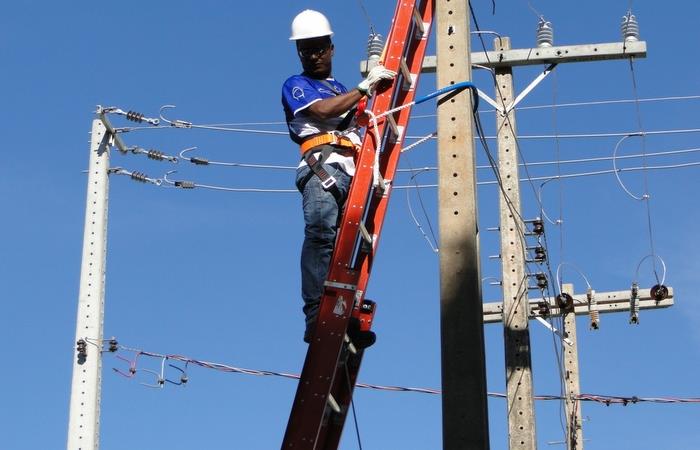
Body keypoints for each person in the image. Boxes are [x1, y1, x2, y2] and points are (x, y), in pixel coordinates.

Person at [281, 10, 395, 346]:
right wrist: (365, 87)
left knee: (349, 247)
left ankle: (346, 316)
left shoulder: (339, 88)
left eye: (318, 48)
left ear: (331, 48)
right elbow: (322, 112)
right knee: (321, 236)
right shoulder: (297, 85)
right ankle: (318, 315)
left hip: (350, 171)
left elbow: (355, 117)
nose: (313, 55)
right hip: (323, 171)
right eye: (306, 50)